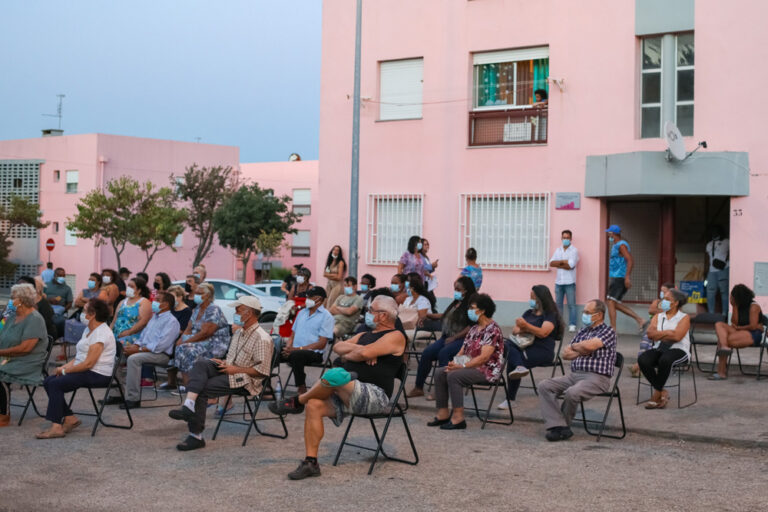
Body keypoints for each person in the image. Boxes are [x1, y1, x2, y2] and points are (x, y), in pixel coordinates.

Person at [269, 295, 406, 480]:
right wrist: (359, 353)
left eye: (371, 310)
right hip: (346, 391)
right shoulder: (364, 335)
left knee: (334, 375)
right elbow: (338, 347)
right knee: (315, 405)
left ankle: (298, 401)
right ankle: (311, 462)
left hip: (374, 395)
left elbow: (362, 352)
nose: (367, 313)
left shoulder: (396, 336)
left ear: (383, 315)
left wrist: (360, 353)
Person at [168, 296, 273, 451]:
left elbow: (262, 372)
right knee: (201, 363)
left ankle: (195, 436)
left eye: (238, 309)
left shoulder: (262, 338)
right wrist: (225, 363)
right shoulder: (239, 333)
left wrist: (234, 369)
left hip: (246, 379)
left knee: (202, 389)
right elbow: (232, 359)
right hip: (231, 370)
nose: (235, 313)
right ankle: (189, 405)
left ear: (248, 313)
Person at [538, 299, 617, 441]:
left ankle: (563, 427)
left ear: (599, 315)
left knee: (572, 392)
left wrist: (579, 348)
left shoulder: (608, 331)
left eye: (587, 312)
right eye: (584, 312)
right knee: (545, 386)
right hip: (574, 375)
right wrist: (582, 348)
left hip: (597, 378)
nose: (584, 315)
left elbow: (591, 346)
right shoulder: (582, 331)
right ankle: (558, 426)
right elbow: (566, 354)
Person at [36, 298, 116, 439]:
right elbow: (80, 357)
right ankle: (70, 418)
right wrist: (64, 366)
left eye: (84, 311)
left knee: (56, 384)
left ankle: (56, 427)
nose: (81, 314)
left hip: (98, 374)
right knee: (49, 380)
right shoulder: (88, 329)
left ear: (92, 315)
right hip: (86, 371)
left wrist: (66, 371)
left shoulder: (101, 333)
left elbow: (88, 364)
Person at [428, 293, 504, 430]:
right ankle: (443, 413)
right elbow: (463, 351)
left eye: (472, 307)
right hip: (470, 366)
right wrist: (453, 363)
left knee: (454, 375)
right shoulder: (474, 329)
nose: (469, 310)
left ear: (482, 310)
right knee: (441, 372)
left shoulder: (493, 330)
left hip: (487, 370)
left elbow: (483, 358)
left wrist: (460, 366)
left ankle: (458, 418)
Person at [407, 276, 476, 398]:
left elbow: (471, 327)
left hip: (462, 340)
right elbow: (444, 316)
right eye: (455, 288)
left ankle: (441, 390)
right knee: (427, 353)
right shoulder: (456, 303)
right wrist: (428, 316)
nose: (455, 291)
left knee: (444, 354)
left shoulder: (471, 305)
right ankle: (419, 387)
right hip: (447, 337)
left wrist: (455, 338)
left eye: (458, 289)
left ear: (466, 290)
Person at [497, 285, 563, 410]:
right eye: (530, 297)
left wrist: (526, 326)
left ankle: (510, 398)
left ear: (541, 299)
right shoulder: (528, 313)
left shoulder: (550, 315)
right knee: (506, 344)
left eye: (533, 297)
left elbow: (543, 332)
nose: (531, 300)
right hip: (523, 346)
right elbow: (515, 330)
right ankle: (519, 367)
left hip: (542, 351)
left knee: (512, 357)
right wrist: (525, 328)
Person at [119, 291, 181, 409]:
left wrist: (139, 350)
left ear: (166, 304)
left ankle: (133, 399)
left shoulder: (172, 321)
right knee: (118, 355)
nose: (154, 302)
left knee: (133, 359)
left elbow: (161, 345)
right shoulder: (154, 318)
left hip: (161, 355)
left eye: (157, 300)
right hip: (146, 351)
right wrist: (135, 346)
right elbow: (143, 337)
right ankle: (117, 394)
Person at [0, 284, 49, 427]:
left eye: (12, 297)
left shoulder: (34, 319)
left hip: (26, 360)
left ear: (22, 300)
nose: (10, 300)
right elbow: (0, 327)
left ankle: (3, 414)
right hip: (8, 356)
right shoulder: (10, 313)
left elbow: (25, 348)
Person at [638, 288, 691, 408]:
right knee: (643, 359)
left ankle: (656, 395)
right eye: (663, 299)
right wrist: (669, 333)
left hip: (679, 349)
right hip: (660, 347)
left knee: (665, 360)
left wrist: (661, 333)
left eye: (667, 299)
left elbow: (677, 337)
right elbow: (650, 334)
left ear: (676, 303)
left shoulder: (684, 317)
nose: (664, 302)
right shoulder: (658, 316)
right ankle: (662, 391)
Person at [172, 283, 231, 389]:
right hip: (198, 341)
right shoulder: (197, 309)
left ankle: (194, 385)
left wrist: (187, 342)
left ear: (208, 295)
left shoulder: (213, 309)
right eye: (196, 293)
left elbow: (206, 333)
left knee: (187, 349)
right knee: (180, 347)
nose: (196, 295)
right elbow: (189, 328)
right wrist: (181, 339)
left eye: (200, 293)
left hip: (214, 343)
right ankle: (188, 386)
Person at [281, 287, 334, 394]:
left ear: (319, 299)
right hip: (294, 350)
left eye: (310, 297)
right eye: (307, 297)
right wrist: (288, 347)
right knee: (273, 351)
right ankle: (265, 387)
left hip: (314, 353)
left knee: (296, 355)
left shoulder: (327, 317)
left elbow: (321, 344)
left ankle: (302, 387)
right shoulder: (301, 313)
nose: (307, 299)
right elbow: (292, 335)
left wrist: (296, 349)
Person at [709, 284, 765, 381]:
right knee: (719, 325)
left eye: (732, 297)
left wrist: (739, 328)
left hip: (753, 333)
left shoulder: (753, 307)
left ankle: (721, 372)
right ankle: (724, 348)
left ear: (740, 297)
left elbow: (753, 326)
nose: (731, 298)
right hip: (740, 330)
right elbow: (734, 322)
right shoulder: (738, 305)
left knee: (725, 340)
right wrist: (734, 306)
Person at [605, 225, 646, 332]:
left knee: (610, 302)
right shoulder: (616, 245)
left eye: (609, 233)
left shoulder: (621, 245)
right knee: (613, 303)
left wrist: (627, 277)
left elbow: (630, 260)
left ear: (613, 234)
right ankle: (640, 319)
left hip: (620, 277)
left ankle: (613, 329)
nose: (608, 235)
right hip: (616, 276)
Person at [629, 282, 674, 378]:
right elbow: (651, 310)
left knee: (651, 346)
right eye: (661, 291)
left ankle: (638, 367)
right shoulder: (657, 301)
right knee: (644, 345)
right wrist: (666, 311)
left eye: (664, 291)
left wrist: (666, 311)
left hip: (664, 331)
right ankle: (640, 367)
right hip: (652, 328)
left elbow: (675, 315)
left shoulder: (675, 303)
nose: (662, 293)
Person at [549, 230, 579, 332]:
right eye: (564, 238)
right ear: (561, 238)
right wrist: (563, 262)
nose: (565, 239)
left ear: (571, 239)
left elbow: (570, 266)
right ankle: (559, 324)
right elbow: (552, 263)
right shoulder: (558, 250)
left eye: (567, 238)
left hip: (570, 282)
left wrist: (559, 263)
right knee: (558, 305)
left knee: (572, 304)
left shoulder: (574, 251)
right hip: (559, 282)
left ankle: (572, 324)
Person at [111, 277, 152, 346]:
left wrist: (128, 332)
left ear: (139, 290)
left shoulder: (144, 302)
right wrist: (109, 332)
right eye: (128, 286)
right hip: (116, 334)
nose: (129, 288)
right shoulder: (122, 302)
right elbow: (114, 320)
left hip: (131, 336)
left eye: (132, 286)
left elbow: (143, 322)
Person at [17, 276, 56, 341]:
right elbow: (4, 320)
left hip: (36, 338)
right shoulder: (14, 303)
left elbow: (38, 327)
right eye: (17, 288)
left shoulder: (40, 305)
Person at [705, 226, 730, 315]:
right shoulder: (709, 244)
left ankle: (725, 313)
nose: (714, 233)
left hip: (724, 269)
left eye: (716, 231)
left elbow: (732, 253)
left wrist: (727, 262)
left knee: (724, 292)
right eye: (713, 232)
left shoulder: (727, 242)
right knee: (710, 292)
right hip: (712, 271)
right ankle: (711, 313)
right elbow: (708, 258)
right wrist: (706, 271)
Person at [45, 267, 73, 339]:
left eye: (63, 276)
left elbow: (70, 303)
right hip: (46, 307)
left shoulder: (67, 288)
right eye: (60, 275)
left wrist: (63, 309)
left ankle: (53, 337)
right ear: (55, 275)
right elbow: (39, 298)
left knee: (58, 320)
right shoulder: (46, 285)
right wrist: (49, 300)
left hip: (59, 309)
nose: (62, 277)